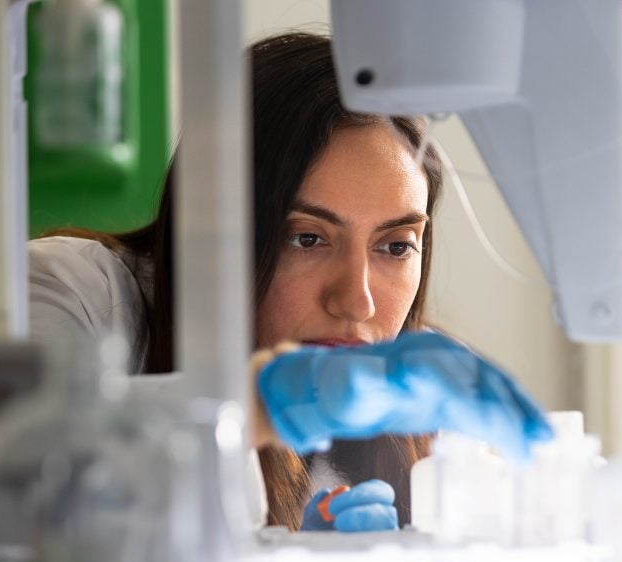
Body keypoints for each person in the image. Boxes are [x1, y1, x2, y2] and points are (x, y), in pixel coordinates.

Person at [28, 32, 551, 533]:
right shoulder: (74, 292)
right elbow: (13, 482)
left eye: (395, 246)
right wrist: (257, 407)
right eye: (307, 238)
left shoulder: (423, 395)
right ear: (215, 230)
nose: (356, 300)